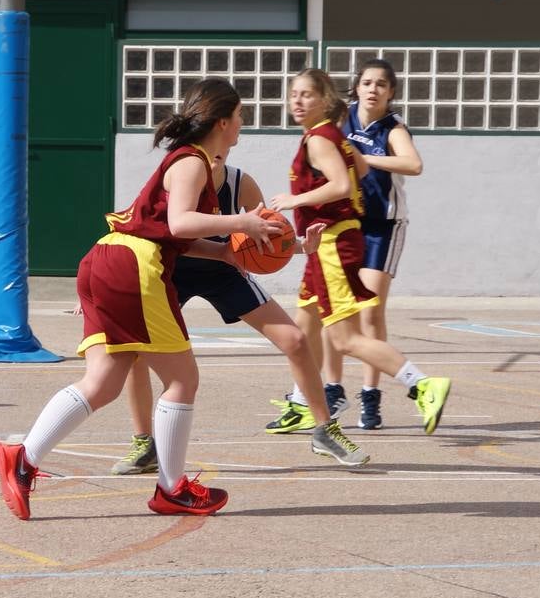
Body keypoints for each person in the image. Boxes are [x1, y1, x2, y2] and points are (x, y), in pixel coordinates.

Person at [0, 78, 280, 520]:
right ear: (223, 121)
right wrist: (244, 219)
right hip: (135, 267)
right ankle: (172, 489)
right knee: (182, 379)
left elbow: (172, 232)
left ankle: (23, 460)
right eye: (240, 115)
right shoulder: (193, 162)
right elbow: (182, 223)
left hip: (108, 258)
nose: (243, 123)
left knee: (103, 382)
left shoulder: (187, 161)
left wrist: (224, 249)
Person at [110, 154, 369, 476]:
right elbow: (143, 228)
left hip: (225, 269)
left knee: (296, 340)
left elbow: (268, 235)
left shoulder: (240, 183)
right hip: (169, 270)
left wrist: (302, 246)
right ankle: (144, 442)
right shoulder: (178, 174)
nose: (215, 152)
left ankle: (324, 431)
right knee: (137, 353)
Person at [265, 68, 449, 437]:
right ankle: (303, 402)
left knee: (345, 338)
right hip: (327, 240)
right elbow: (361, 167)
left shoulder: (320, 139)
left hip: (334, 243)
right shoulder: (336, 134)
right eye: (293, 94)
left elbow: (339, 184)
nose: (297, 102)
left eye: (306, 95)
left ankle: (422, 384)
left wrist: (294, 200)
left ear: (323, 100)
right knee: (305, 328)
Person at [318, 58, 424, 429]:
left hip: (383, 225)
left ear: (390, 92)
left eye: (381, 84)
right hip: (346, 221)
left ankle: (370, 395)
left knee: (370, 311)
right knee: (334, 309)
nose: (373, 89)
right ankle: (332, 389)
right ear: (357, 87)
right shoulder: (339, 120)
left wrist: (365, 159)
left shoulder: (392, 128)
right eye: (367, 82)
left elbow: (413, 165)